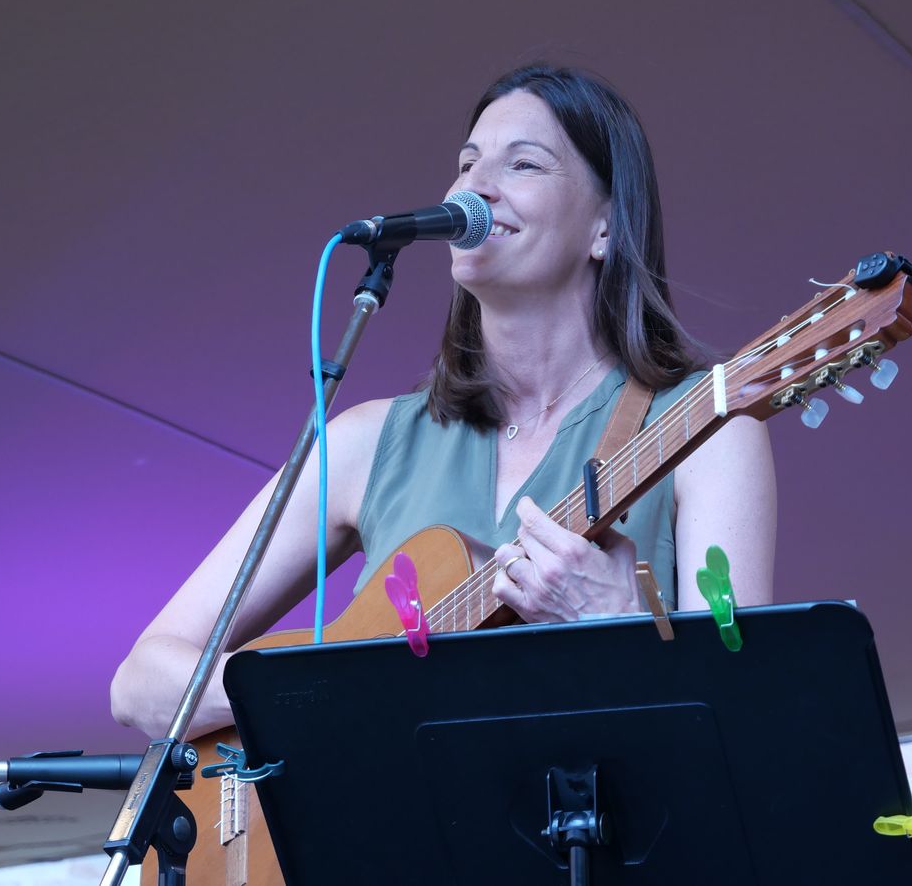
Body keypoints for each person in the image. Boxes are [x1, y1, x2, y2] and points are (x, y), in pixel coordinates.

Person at [110, 64, 777, 740]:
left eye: (523, 164)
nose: (474, 186)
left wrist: (625, 630)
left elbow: (748, 721)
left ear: (605, 227)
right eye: (466, 163)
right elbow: (141, 683)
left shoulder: (709, 428)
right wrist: (321, 690)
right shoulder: (367, 443)